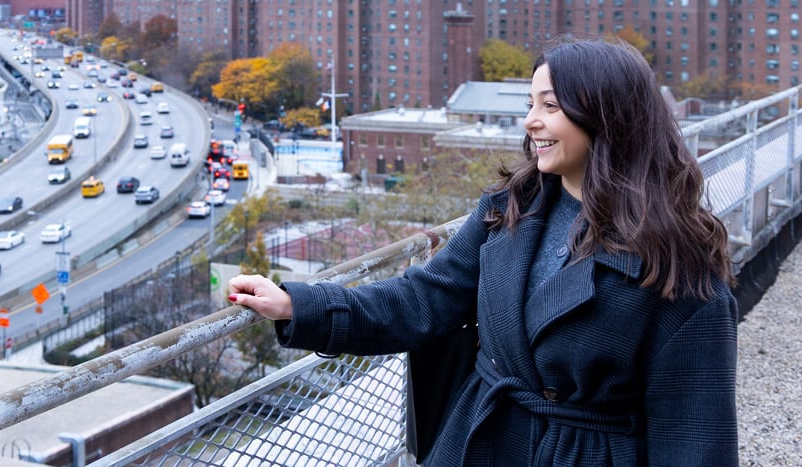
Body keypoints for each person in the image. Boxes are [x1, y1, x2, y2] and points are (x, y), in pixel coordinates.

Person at [226, 40, 738, 466]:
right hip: (476, 442)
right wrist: (300, 305)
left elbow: (696, 441)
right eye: (529, 105)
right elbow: (421, 301)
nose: (530, 123)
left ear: (607, 116)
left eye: (550, 106)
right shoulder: (511, 209)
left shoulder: (680, 268)